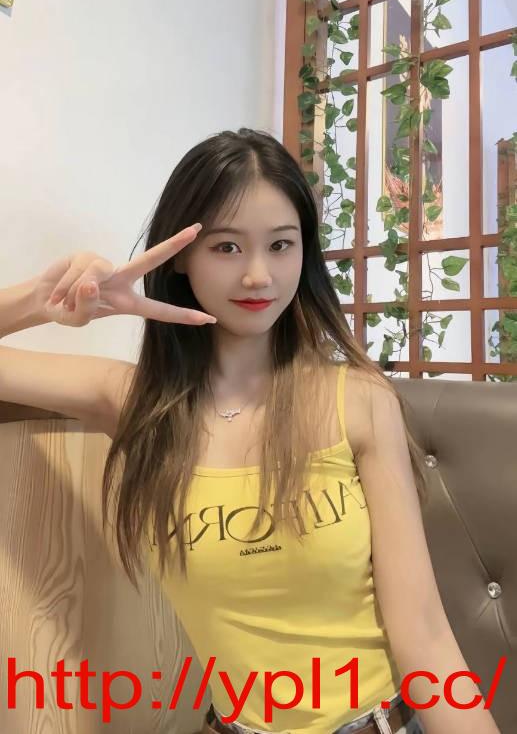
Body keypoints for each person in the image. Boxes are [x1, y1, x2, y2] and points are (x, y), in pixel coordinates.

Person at [0, 129, 500, 734]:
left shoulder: (359, 401)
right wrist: (44, 300)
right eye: (227, 247)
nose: (259, 275)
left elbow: (425, 640)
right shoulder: (137, 404)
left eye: (281, 245)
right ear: (180, 257)